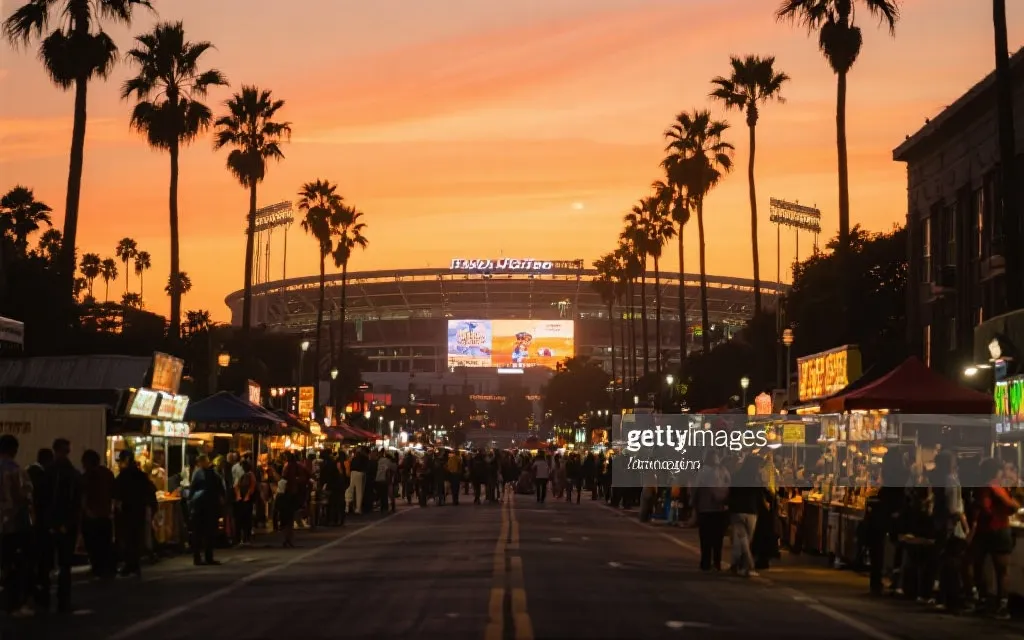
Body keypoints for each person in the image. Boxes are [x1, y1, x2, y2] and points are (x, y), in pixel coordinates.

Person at [971, 457, 1020, 619]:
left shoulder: (989, 486)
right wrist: (1006, 512)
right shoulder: (999, 486)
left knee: (977, 565)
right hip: (1001, 530)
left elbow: (985, 507)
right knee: (1002, 570)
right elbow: (1014, 506)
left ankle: (985, 600)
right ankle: (1002, 604)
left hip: (988, 530)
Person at [43, 439, 82, 612]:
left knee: (46, 563)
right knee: (65, 564)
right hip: (67, 524)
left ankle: (44, 599)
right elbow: (76, 501)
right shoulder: (72, 473)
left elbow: (41, 500)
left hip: (49, 523)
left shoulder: (47, 472)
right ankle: (63, 601)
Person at [0, 434, 33, 617]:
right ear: (14, 449)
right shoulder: (17, 471)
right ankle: (12, 605)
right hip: (14, 525)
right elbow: (25, 496)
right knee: (15, 565)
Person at [114, 450, 156, 577]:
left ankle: (129, 564)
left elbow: (116, 492)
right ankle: (135, 564)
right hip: (139, 510)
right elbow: (151, 490)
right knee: (136, 538)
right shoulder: (141, 475)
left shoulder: (124, 475)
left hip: (128, 510)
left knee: (127, 538)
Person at [728, 456, 767, 577]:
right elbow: (761, 496)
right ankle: (747, 566)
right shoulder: (756, 479)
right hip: (751, 512)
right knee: (746, 541)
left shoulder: (736, 476)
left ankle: (738, 565)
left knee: (740, 540)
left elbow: (731, 493)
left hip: (737, 511)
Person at [693, 450, 730, 572]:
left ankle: (705, 563)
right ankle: (717, 562)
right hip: (719, 509)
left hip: (705, 509)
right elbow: (730, 486)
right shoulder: (723, 470)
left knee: (705, 538)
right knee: (718, 538)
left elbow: (696, 490)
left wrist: (693, 505)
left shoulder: (702, 472)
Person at [81, 449, 115, 579]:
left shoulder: (87, 476)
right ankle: (106, 568)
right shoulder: (108, 474)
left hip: (92, 516)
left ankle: (97, 568)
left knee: (93, 544)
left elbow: (83, 497)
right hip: (105, 515)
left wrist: (86, 511)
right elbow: (113, 494)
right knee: (105, 543)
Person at [188, 454, 224, 565]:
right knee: (206, 533)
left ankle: (200, 557)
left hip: (202, 507)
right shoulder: (212, 474)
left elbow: (192, 490)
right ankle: (205, 557)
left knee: (200, 533)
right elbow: (221, 489)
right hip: (208, 507)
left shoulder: (198, 474)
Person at [234, 460, 257, 545]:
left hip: (247, 499)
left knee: (246, 520)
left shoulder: (250, 475)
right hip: (242, 499)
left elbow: (252, 487)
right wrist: (239, 495)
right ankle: (240, 538)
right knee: (241, 520)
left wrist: (247, 495)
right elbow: (236, 486)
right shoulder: (242, 475)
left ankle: (246, 538)